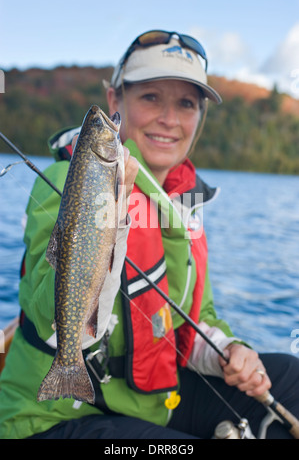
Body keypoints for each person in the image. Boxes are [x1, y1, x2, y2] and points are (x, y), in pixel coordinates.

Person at [0, 29, 299, 440]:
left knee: (292, 377)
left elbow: (194, 320)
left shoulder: (183, 206)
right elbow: (47, 313)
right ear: (115, 101)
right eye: (150, 97)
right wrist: (109, 221)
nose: (170, 118)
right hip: (52, 417)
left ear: (200, 116)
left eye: (186, 103)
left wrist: (232, 351)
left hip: (151, 402)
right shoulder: (65, 180)